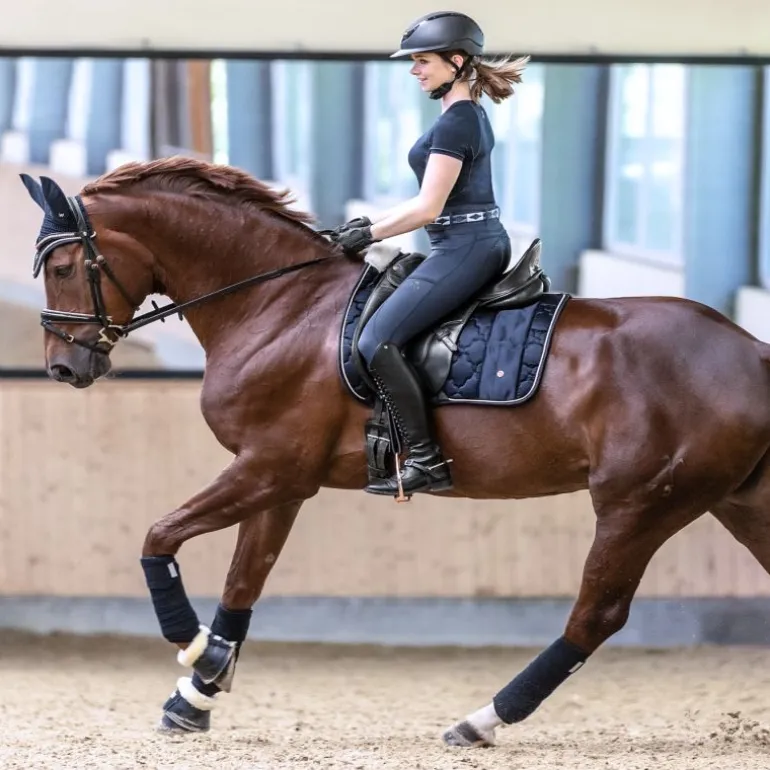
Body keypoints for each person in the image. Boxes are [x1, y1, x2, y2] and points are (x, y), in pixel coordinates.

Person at [334, 10, 530, 497]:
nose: (414, 70)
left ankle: (425, 459)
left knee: (376, 340)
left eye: (422, 61)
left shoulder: (458, 122)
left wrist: (370, 234)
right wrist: (368, 225)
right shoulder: (458, 117)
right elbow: (428, 201)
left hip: (466, 247)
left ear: (456, 62)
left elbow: (428, 208)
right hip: (464, 241)